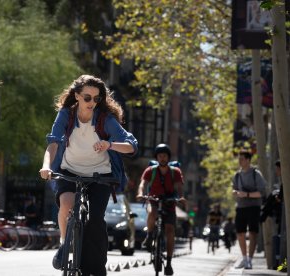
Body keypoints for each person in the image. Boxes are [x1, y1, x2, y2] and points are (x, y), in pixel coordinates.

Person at [39, 74, 138, 276]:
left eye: (96, 98)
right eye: (87, 97)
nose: (92, 102)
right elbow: (54, 143)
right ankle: (64, 243)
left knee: (95, 220)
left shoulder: (105, 119)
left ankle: (95, 268)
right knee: (66, 203)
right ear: (76, 96)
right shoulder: (66, 115)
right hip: (70, 170)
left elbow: (131, 146)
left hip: (100, 175)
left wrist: (109, 144)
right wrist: (46, 166)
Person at [136, 143, 185, 276]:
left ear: (168, 158)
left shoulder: (175, 172)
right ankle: (150, 235)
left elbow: (179, 188)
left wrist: (181, 197)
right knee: (152, 212)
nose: (162, 158)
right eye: (160, 156)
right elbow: (143, 184)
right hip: (154, 200)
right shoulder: (150, 170)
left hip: (169, 203)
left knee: (170, 230)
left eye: (164, 156)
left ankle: (168, 263)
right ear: (156, 157)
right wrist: (141, 193)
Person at [232, 151, 266, 269]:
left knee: (253, 232)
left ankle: (250, 260)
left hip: (254, 207)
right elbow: (235, 190)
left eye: (241, 159)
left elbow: (261, 193)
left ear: (248, 160)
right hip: (240, 207)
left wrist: (245, 194)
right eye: (239, 159)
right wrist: (235, 193)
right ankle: (244, 258)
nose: (239, 161)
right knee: (240, 232)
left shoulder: (256, 174)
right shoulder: (237, 175)